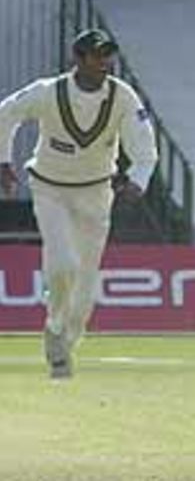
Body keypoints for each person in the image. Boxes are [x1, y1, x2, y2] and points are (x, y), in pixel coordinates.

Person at [0, 29, 157, 379]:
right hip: (50, 189)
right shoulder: (49, 91)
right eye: (97, 55)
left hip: (96, 193)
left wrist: (139, 179)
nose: (105, 62)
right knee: (62, 264)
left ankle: (65, 343)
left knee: (85, 289)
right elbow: (6, 113)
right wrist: (3, 161)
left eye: (108, 55)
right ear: (79, 58)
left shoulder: (122, 96)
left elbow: (144, 145)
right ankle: (55, 326)